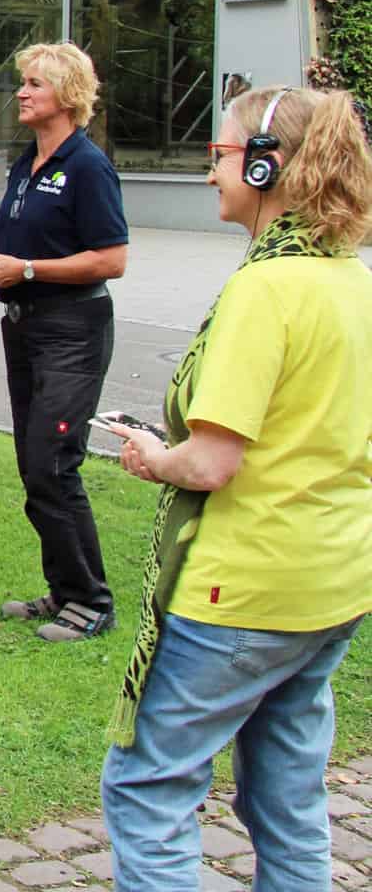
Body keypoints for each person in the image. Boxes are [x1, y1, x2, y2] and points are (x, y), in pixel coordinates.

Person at [97, 85, 372, 889]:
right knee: (288, 796)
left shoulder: (266, 289)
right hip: (332, 585)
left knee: (150, 786)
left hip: (241, 592)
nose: (209, 172)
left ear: (263, 164)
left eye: (218, 155)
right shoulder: (353, 280)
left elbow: (212, 463)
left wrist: (153, 454)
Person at [0, 41, 128, 643]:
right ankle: (64, 591)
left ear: (67, 95)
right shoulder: (26, 164)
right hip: (24, 327)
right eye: (23, 83)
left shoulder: (88, 167)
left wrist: (27, 271)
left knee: (54, 465)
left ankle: (92, 602)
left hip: (73, 333)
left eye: (35, 83)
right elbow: (31, 248)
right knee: (33, 468)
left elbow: (112, 259)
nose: (22, 93)